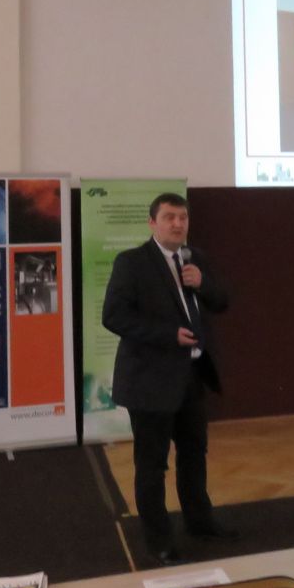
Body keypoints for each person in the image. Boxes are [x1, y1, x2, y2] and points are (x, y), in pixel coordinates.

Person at [102, 192, 234, 566]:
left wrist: (202, 283)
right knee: (152, 465)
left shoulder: (195, 259)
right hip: (150, 382)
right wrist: (167, 334)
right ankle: (159, 540)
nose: (178, 224)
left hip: (191, 376)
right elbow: (114, 316)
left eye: (183, 217)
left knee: (194, 454)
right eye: (169, 217)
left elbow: (222, 301)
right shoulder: (132, 262)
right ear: (152, 223)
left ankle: (200, 523)